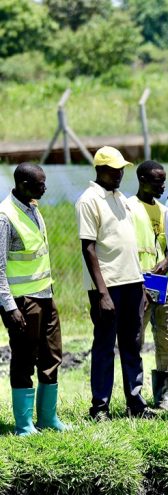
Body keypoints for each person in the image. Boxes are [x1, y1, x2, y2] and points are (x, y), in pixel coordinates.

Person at [78, 146, 151, 420]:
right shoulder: (89, 200)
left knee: (132, 343)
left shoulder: (120, 198)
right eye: (114, 170)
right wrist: (102, 293)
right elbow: (88, 248)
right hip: (107, 287)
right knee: (105, 345)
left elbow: (128, 245)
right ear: (100, 170)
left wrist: (141, 284)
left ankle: (135, 401)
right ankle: (100, 407)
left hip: (132, 281)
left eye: (122, 169)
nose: (120, 174)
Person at [0, 163, 70, 435]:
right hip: (21, 302)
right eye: (40, 184)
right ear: (23, 184)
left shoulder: (33, 206)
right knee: (24, 359)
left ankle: (48, 418)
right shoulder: (6, 216)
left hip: (45, 296)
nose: (45, 188)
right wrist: (10, 307)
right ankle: (24, 424)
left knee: (52, 354)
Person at [128, 160, 168, 410]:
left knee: (165, 339)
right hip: (138, 286)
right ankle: (135, 396)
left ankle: (163, 396)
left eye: (164, 180)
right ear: (143, 180)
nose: (162, 185)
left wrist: (167, 261)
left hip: (163, 287)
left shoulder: (165, 211)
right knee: (136, 339)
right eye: (158, 180)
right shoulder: (129, 208)